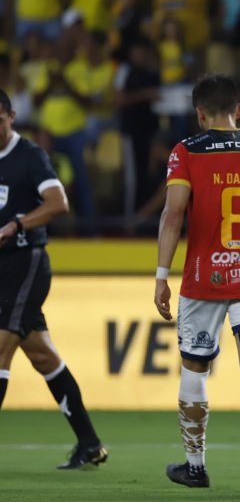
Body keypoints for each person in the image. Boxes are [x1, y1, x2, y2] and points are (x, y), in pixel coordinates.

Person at [154, 74, 240, 492]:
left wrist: (162, 276)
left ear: (200, 114)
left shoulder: (187, 151)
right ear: (238, 111)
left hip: (204, 278)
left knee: (195, 367)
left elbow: (173, 216)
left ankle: (195, 466)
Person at [0, 89, 107, 470]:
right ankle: (90, 444)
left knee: (0, 348)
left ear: (11, 116)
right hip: (2, 268)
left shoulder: (29, 156)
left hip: (26, 262)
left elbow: (58, 203)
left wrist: (17, 224)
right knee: (43, 356)